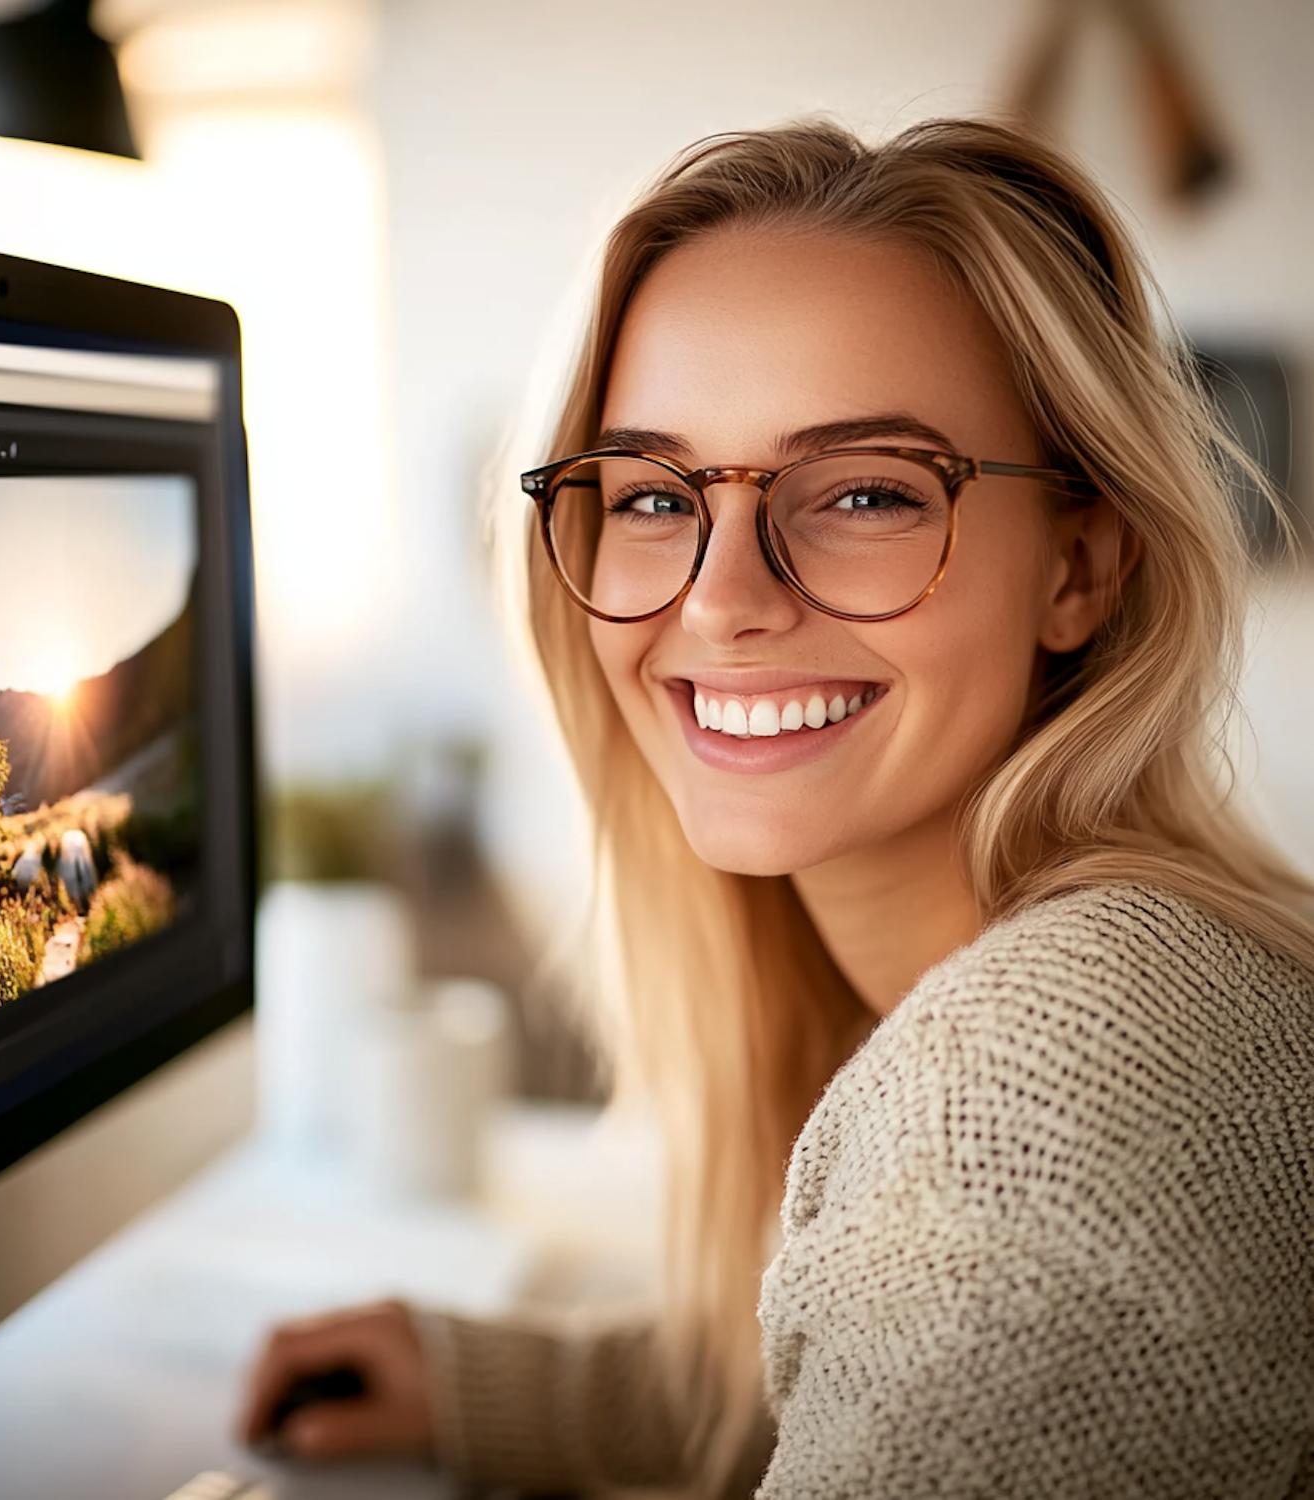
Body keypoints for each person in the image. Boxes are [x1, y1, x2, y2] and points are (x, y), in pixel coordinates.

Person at [239, 117, 1314, 1497]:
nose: (722, 599)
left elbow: (1001, 1290)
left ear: (1080, 565)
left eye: (866, 491)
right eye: (649, 496)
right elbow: (916, 1371)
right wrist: (523, 1390)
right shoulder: (1096, 989)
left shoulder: (1030, 1089)